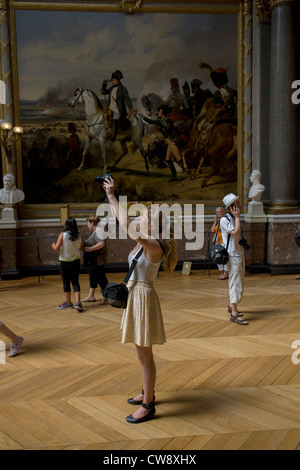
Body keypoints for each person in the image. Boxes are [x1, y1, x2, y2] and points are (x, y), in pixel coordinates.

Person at [103, 176, 177, 423]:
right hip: (136, 296)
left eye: (143, 217)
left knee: (146, 357)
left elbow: (125, 224)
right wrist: (110, 197)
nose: (138, 219)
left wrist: (113, 196)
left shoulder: (154, 245)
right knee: (141, 355)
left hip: (143, 297)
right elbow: (123, 222)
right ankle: (146, 391)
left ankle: (148, 405)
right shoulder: (143, 243)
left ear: (153, 226)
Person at [220, 193, 250, 325]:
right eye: (237, 203)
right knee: (235, 282)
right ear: (231, 207)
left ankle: (231, 305)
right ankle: (234, 314)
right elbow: (235, 233)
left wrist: (245, 253)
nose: (240, 205)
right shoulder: (225, 220)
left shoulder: (233, 218)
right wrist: (237, 218)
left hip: (238, 254)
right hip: (232, 256)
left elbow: (239, 239)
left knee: (239, 281)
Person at [140, 105, 185, 182]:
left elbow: (150, 121)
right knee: (168, 159)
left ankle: (185, 169)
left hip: (171, 142)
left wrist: (141, 115)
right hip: (173, 141)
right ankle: (174, 177)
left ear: (163, 113)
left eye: (160, 111)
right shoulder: (169, 120)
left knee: (178, 160)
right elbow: (174, 129)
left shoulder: (161, 121)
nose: (158, 113)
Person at [51, 217, 84, 312]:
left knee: (66, 282)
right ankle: (78, 303)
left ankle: (68, 303)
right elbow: (81, 247)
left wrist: (52, 245)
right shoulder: (79, 235)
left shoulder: (63, 235)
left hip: (65, 261)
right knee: (75, 281)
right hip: (76, 261)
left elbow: (56, 248)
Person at [82, 215, 109, 304]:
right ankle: (91, 296)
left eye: (88, 223)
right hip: (95, 260)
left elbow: (101, 244)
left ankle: (108, 296)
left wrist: (89, 249)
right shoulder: (97, 231)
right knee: (93, 277)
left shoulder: (99, 231)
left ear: (92, 223)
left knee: (101, 279)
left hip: (98, 260)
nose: (87, 226)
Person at [101, 70, 133, 141]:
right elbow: (103, 92)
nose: (112, 81)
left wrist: (131, 108)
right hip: (110, 109)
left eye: (113, 80)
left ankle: (112, 138)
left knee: (115, 120)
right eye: (111, 80)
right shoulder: (111, 88)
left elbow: (128, 99)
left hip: (118, 110)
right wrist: (104, 84)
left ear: (118, 80)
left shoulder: (123, 89)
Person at [210, 207, 229, 280]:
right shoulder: (218, 221)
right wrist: (215, 221)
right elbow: (212, 230)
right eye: (218, 212)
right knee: (217, 257)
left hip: (225, 243)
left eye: (221, 212)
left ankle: (226, 273)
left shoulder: (226, 220)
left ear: (223, 212)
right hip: (218, 242)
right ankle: (222, 272)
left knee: (225, 258)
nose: (219, 213)